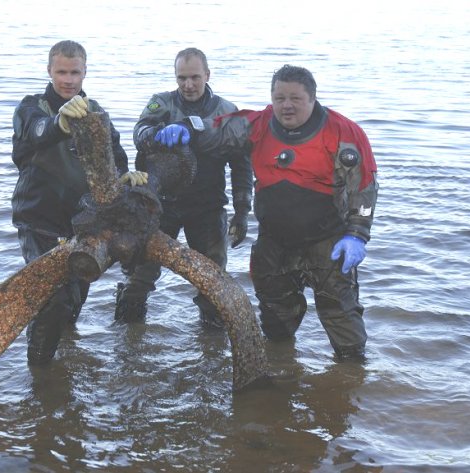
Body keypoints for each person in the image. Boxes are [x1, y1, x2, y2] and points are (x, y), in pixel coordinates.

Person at [153, 64, 378, 360]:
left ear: (312, 98)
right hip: (275, 241)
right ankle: (281, 370)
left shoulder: (342, 132)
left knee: (341, 317)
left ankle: (351, 376)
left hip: (328, 241)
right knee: (274, 322)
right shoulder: (257, 124)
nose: (286, 106)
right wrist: (184, 128)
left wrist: (357, 234)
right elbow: (213, 130)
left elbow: (364, 186)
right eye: (279, 98)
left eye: (295, 98)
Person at [11, 40, 146, 364]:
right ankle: (40, 372)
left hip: (81, 223)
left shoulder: (96, 112)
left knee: (71, 301)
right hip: (38, 220)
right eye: (61, 72)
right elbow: (38, 131)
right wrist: (60, 122)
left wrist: (125, 178)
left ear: (84, 72)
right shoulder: (31, 108)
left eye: (74, 72)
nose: (68, 80)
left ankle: (64, 359)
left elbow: (116, 159)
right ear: (49, 71)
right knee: (51, 295)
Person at [113, 47, 253, 327]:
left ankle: (212, 345)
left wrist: (242, 212)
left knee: (212, 281)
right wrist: (156, 133)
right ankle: (128, 339)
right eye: (181, 78)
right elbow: (139, 132)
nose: (188, 85)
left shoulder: (228, 113)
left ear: (207, 75)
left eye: (194, 78)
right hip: (160, 206)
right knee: (140, 276)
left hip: (207, 208)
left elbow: (241, 166)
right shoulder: (161, 104)